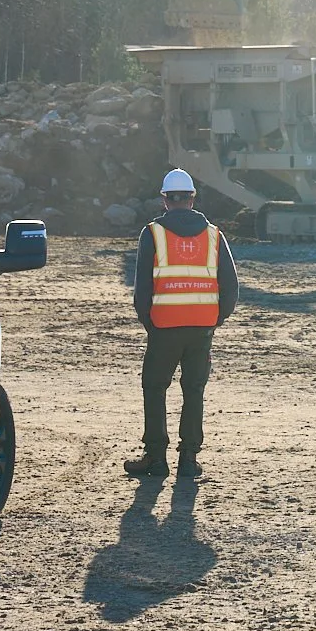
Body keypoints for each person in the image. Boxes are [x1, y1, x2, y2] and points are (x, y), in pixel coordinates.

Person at [123, 169, 238, 480]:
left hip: (164, 326)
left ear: (164, 199)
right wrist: (213, 321)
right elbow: (231, 287)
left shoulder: (153, 233)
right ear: (192, 198)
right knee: (194, 390)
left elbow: (142, 291)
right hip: (201, 327)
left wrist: (152, 323)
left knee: (154, 387)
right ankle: (188, 460)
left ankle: (156, 458)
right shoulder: (214, 235)